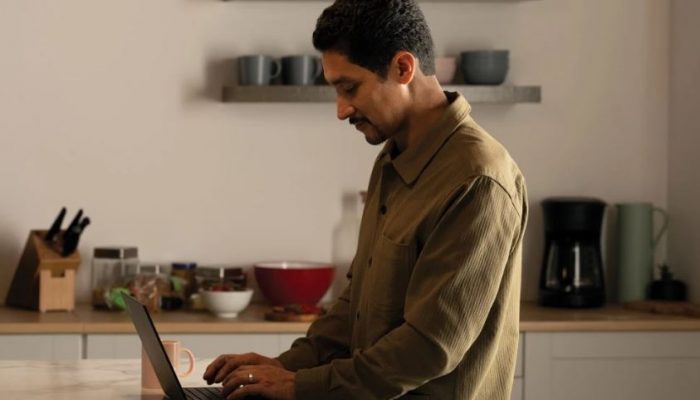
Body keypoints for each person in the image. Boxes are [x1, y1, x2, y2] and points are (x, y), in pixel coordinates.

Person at [203, 1, 528, 399]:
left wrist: (299, 386)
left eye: (350, 87)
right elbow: (357, 302)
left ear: (403, 69)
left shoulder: (478, 179)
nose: (341, 110)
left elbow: (429, 348)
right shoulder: (393, 159)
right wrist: (285, 365)